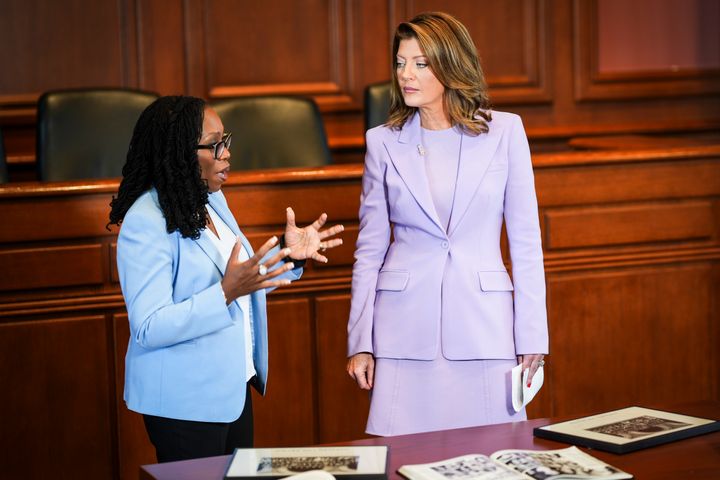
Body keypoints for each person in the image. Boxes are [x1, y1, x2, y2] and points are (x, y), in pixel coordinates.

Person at [108, 95, 343, 461]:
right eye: (214, 145)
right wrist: (223, 294)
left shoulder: (209, 200)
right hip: (183, 402)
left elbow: (237, 278)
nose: (227, 154)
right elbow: (149, 326)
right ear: (180, 152)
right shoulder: (146, 220)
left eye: (226, 141)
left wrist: (287, 253)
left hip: (230, 389)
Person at [346, 12, 548, 436]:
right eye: (401, 62)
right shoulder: (381, 142)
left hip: (485, 329)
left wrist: (533, 336)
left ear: (451, 64)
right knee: (402, 460)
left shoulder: (506, 132)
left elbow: (527, 243)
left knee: (494, 454)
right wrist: (360, 341)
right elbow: (369, 250)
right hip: (403, 332)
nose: (406, 74)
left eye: (421, 63)